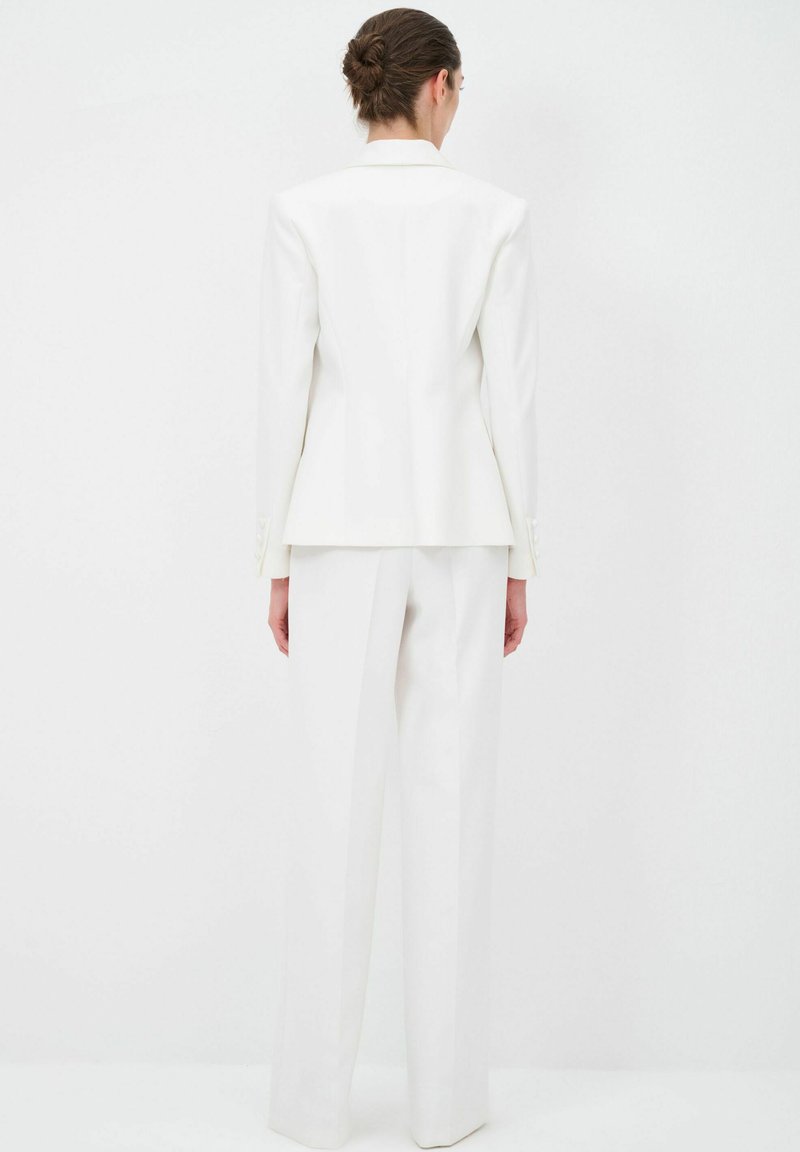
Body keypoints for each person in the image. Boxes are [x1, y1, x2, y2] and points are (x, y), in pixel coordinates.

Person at [254, 8, 540, 1148]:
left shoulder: (304, 212)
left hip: (335, 528)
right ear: (441, 86)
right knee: (450, 809)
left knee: (332, 807)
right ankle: (446, 1108)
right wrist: (523, 559)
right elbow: (511, 400)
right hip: (464, 529)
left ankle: (309, 1106)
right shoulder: (494, 215)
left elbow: (284, 395)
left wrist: (275, 558)